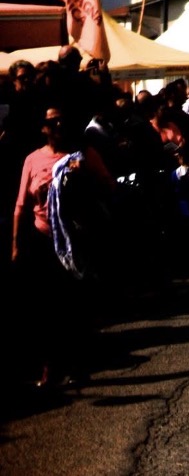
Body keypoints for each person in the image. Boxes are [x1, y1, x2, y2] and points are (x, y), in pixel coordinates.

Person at [11, 106, 112, 387]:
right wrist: (15, 245)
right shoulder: (32, 159)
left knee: (73, 307)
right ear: (43, 128)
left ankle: (77, 366)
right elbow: (21, 206)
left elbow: (109, 187)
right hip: (42, 240)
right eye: (51, 122)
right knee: (44, 308)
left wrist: (84, 177)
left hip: (74, 242)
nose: (57, 126)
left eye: (61, 121)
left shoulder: (83, 155)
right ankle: (49, 367)